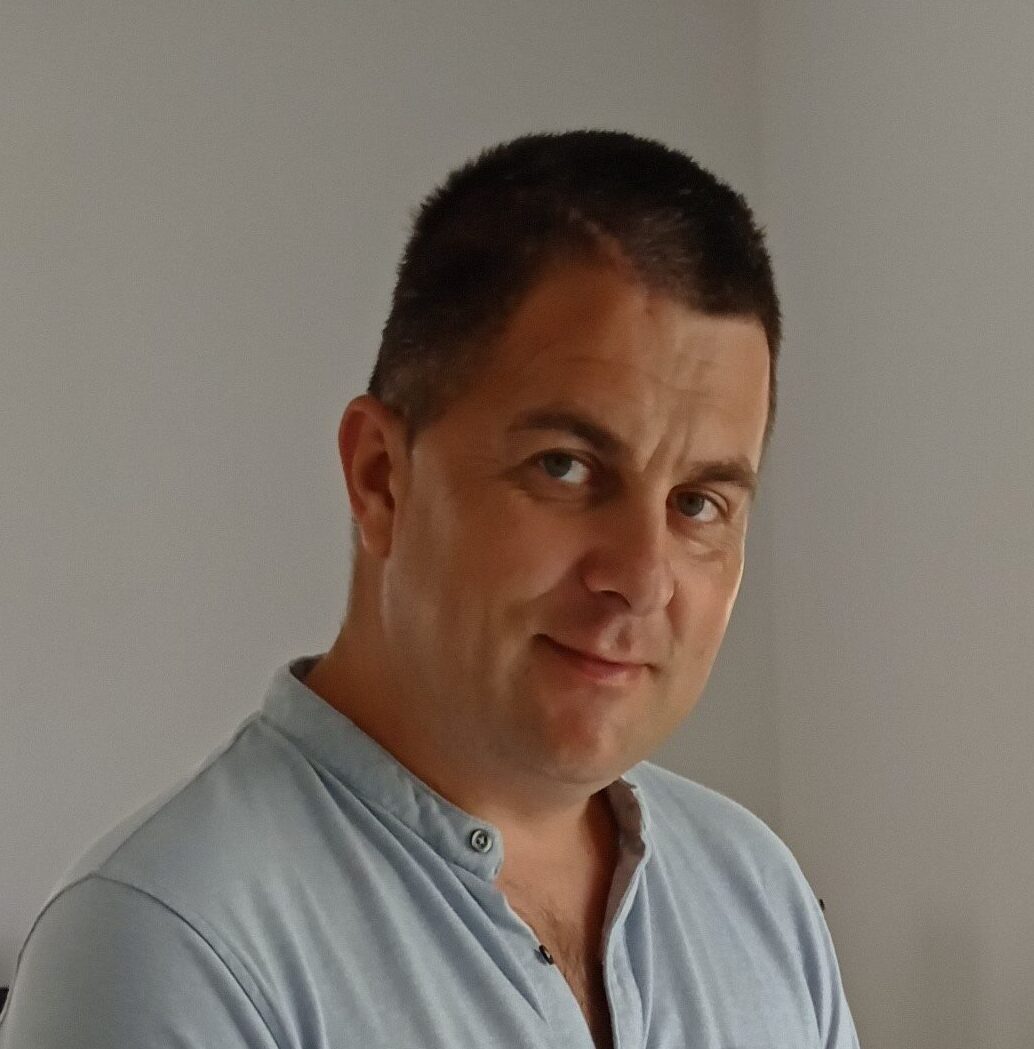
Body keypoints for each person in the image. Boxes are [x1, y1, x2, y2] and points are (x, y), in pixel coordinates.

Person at [0, 130, 860, 1048]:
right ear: (381, 477)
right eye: (565, 467)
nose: (642, 579)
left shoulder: (756, 891)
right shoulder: (166, 948)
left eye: (698, 503)